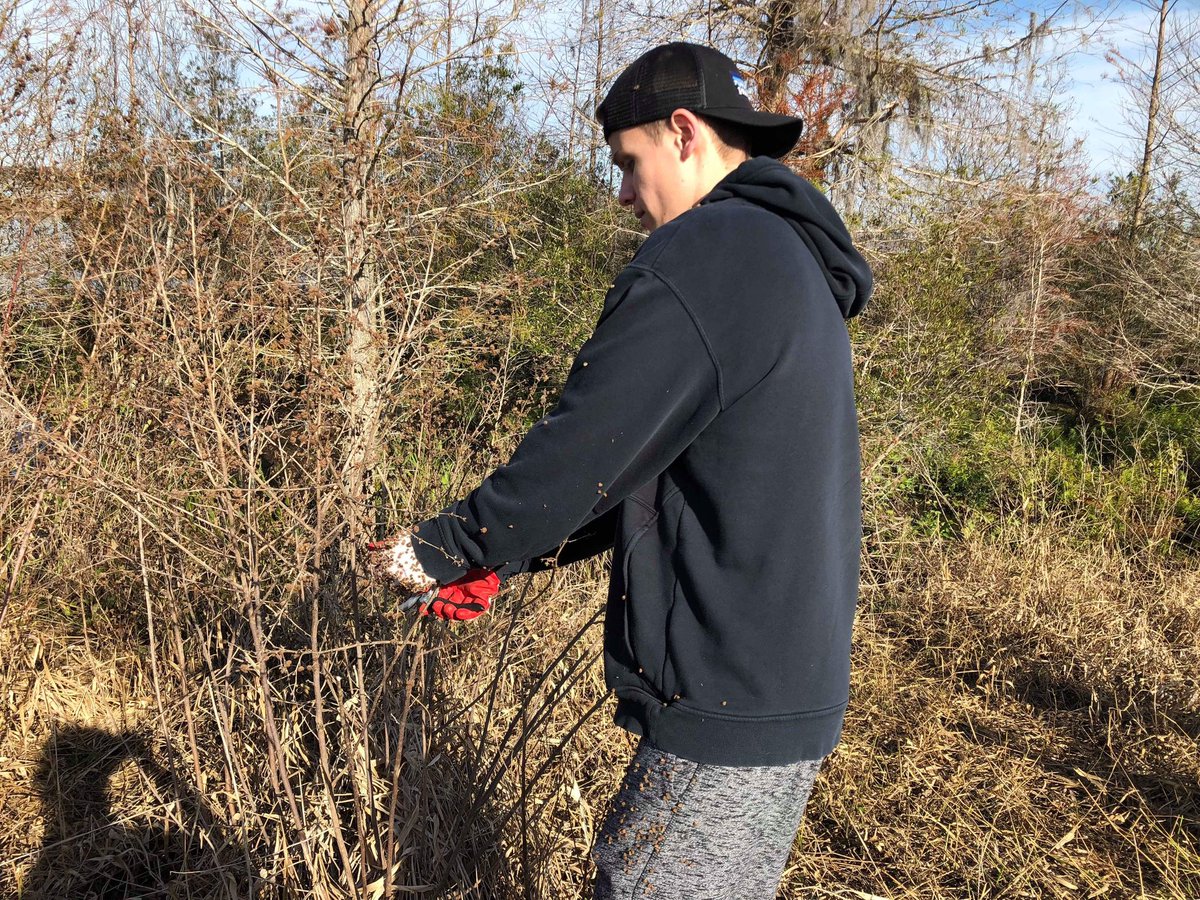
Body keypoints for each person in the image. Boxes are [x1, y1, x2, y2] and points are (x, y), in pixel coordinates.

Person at [368, 41, 872, 899]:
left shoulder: (711, 250)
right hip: (782, 683)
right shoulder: (786, 257)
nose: (626, 195)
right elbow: (646, 470)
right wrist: (506, 556)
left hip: (725, 690)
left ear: (684, 133)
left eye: (628, 163)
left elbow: (587, 448)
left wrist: (445, 547)